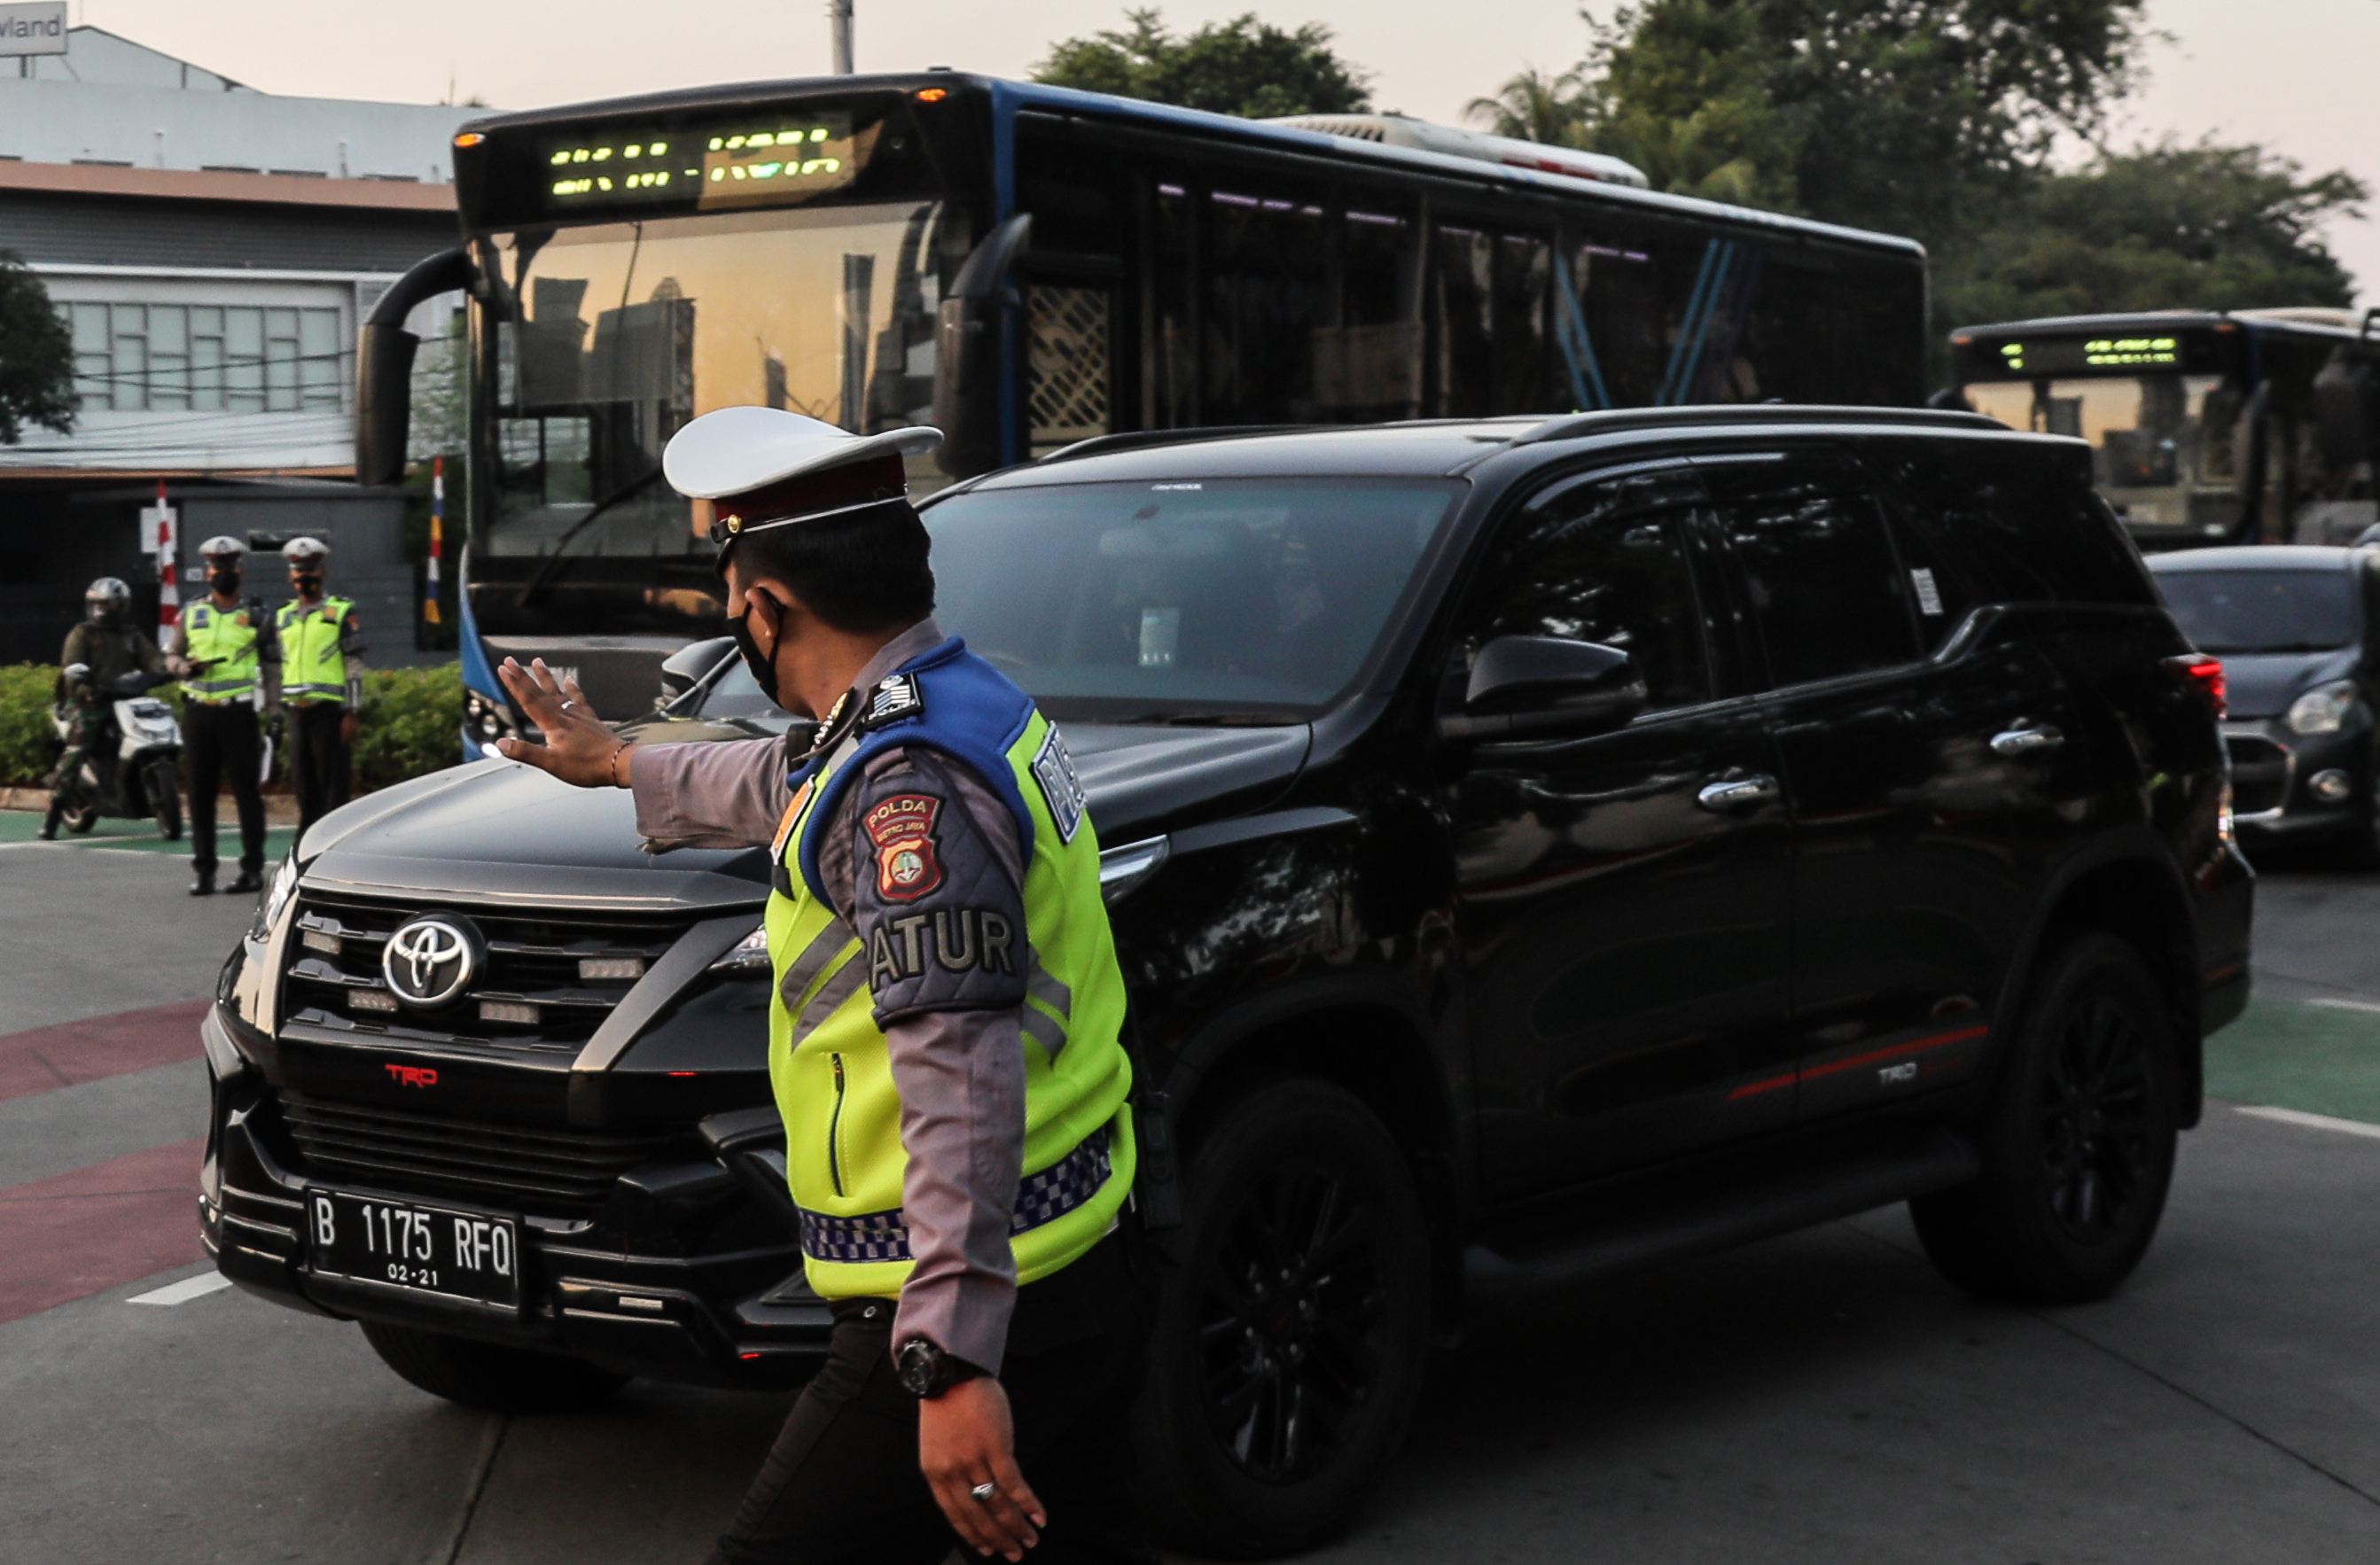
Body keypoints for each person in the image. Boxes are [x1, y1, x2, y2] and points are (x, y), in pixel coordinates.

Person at [494, 406, 1150, 1565]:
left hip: (956, 1282)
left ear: (761, 607)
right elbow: (790, 775)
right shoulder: (952, 703)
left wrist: (947, 1358)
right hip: (1075, 1245)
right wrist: (615, 762)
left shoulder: (909, 786)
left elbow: (958, 1072)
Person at [168, 536, 274, 895]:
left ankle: (252, 870)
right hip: (198, 714)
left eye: (229, 567)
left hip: (238, 714)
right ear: (207, 572)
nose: (222, 573)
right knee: (200, 795)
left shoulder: (258, 614)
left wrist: (274, 712)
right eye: (216, 567)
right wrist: (184, 668)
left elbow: (273, 666)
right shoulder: (192, 611)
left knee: (247, 793)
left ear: (239, 571)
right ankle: (204, 871)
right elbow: (172, 656)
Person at [43, 577, 167, 839]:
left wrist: (166, 670)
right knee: (78, 748)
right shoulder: (82, 633)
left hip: (124, 699)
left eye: (110, 603)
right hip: (88, 702)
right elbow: (71, 666)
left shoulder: (131, 634)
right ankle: (52, 817)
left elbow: (153, 658)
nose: (103, 609)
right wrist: (86, 688)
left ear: (122, 606)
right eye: (98, 604)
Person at [270, 535, 365, 837]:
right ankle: (307, 854)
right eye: (299, 571)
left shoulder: (340, 612)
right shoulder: (282, 617)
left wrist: (352, 712)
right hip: (297, 714)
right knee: (303, 788)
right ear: (290, 576)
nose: (304, 576)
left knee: (333, 792)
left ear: (322, 572)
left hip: (330, 713)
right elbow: (275, 666)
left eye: (311, 570)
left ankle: (334, 853)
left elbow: (354, 666)